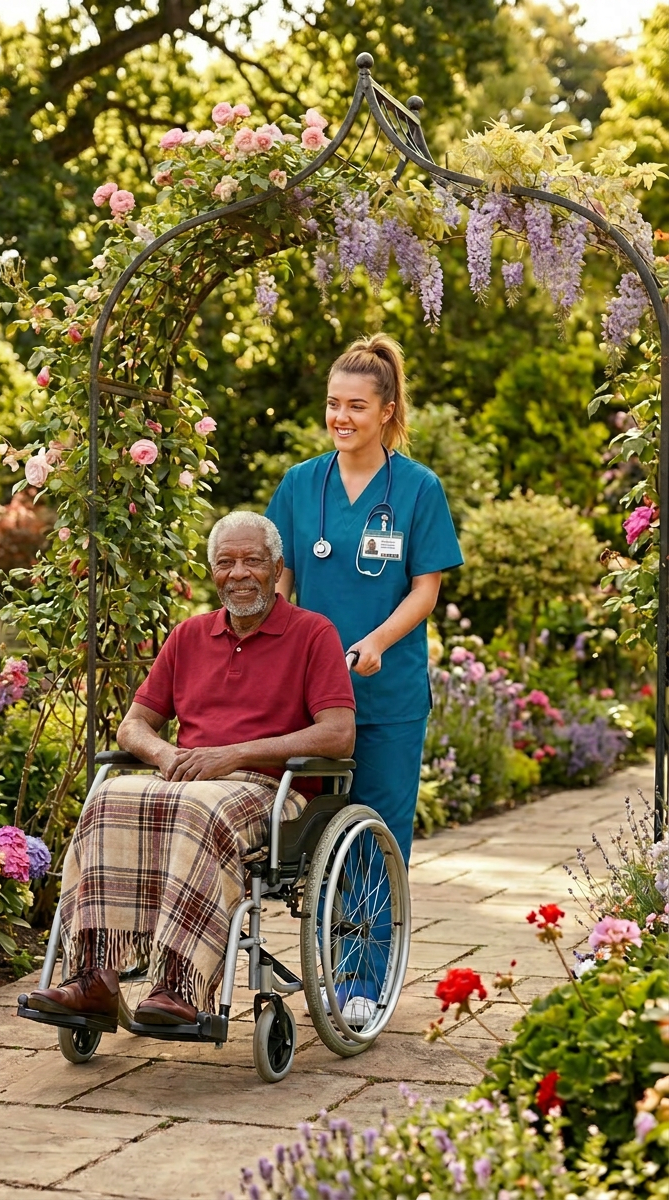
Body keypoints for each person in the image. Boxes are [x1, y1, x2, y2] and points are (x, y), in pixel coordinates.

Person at [25, 511, 356, 1027]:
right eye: (226, 562)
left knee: (200, 809)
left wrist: (237, 753)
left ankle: (181, 984)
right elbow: (133, 726)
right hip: (186, 780)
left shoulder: (313, 633)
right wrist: (163, 754)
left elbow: (338, 733)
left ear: (277, 568)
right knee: (108, 799)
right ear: (212, 572)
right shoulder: (188, 635)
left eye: (253, 561)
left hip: (269, 787)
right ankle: (94, 976)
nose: (239, 573)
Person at [265, 334, 462, 1013]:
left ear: (387, 410)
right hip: (310, 699)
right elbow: (279, 582)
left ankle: (361, 981)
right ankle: (316, 963)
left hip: (385, 693)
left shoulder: (417, 489)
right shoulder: (298, 485)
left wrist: (376, 641)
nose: (341, 417)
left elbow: (425, 589)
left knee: (373, 837)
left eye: (356, 405)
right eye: (332, 405)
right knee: (305, 836)